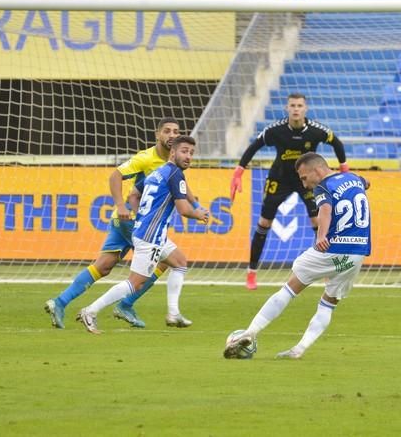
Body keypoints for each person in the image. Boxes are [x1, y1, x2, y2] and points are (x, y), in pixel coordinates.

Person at [44, 117, 199, 329]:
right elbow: (115, 176)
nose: (172, 135)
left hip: (129, 223)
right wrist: (121, 206)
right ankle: (126, 305)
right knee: (170, 261)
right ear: (157, 134)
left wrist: (195, 204)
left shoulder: (173, 163)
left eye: (175, 131)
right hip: (132, 221)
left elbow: (181, 187)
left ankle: (60, 302)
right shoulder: (146, 158)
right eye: (167, 131)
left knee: (104, 266)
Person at [223, 152, 370, 359]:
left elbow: (325, 210)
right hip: (358, 252)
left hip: (333, 248)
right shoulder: (354, 178)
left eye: (303, 178)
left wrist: (321, 236)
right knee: (329, 302)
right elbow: (366, 182)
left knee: (289, 289)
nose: (304, 184)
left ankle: (250, 332)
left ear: (317, 170)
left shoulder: (322, 187)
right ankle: (298, 350)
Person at [77, 135, 209, 334]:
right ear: (172, 152)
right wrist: (198, 213)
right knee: (135, 283)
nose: (188, 156)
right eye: (184, 151)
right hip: (150, 236)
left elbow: (133, 194)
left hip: (147, 231)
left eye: (191, 153)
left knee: (179, 262)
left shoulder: (159, 171)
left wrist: (141, 216)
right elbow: (183, 209)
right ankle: (90, 311)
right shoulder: (175, 175)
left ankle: (173, 313)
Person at [230, 93, 349, 290]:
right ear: (287, 108)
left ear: (305, 109)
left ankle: (326, 270)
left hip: (307, 180)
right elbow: (254, 146)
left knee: (318, 222)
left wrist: (344, 169)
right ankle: (251, 272)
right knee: (264, 223)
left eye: (299, 105)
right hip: (279, 179)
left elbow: (337, 142)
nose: (296, 109)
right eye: (292, 105)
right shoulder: (275, 130)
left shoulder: (316, 131)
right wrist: (239, 171)